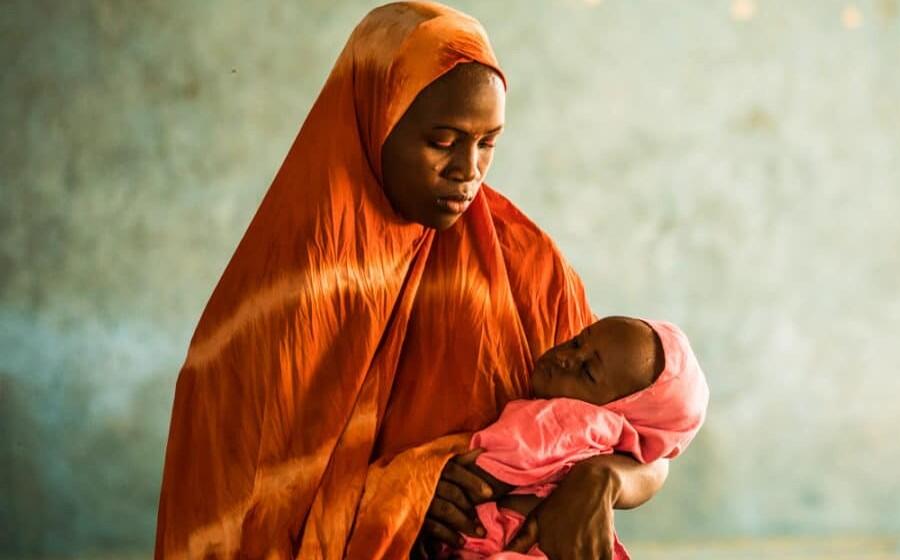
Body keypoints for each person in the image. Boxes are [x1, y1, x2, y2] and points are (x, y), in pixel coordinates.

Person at [155, 3, 689, 558]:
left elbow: (646, 438)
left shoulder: (526, 265)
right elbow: (233, 513)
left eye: (487, 143)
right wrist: (405, 495)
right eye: (442, 141)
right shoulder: (275, 302)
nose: (468, 171)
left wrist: (602, 480)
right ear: (373, 117)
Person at [431, 317, 710, 559]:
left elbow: (489, 472)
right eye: (577, 341)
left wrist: (431, 483)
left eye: (587, 373)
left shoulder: (571, 418)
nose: (566, 357)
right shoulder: (618, 432)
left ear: (621, 409)